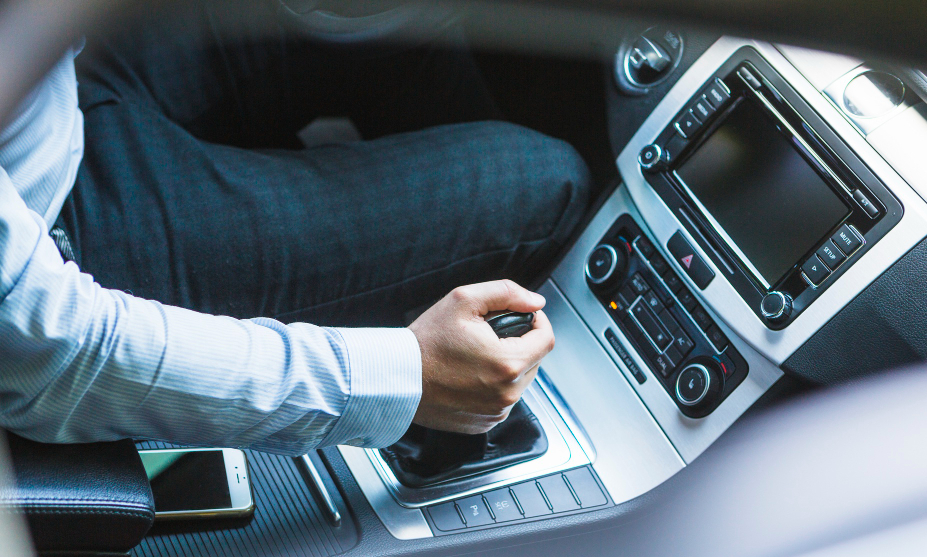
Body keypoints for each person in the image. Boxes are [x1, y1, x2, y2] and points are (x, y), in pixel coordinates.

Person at [0, 1, 589, 456]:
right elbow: (48, 348)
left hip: (54, 81)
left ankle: (440, 272)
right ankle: (457, 363)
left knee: (392, 22)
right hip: (57, 243)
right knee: (546, 184)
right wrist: (407, 374)